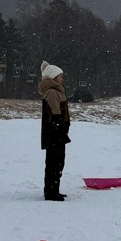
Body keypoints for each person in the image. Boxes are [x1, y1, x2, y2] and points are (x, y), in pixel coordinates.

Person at [38, 62, 70, 200]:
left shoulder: (57, 91)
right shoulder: (52, 92)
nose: (62, 79)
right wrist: (60, 130)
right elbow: (54, 114)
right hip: (54, 135)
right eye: (60, 76)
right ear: (53, 77)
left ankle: (54, 189)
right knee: (53, 163)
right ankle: (51, 192)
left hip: (58, 134)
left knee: (58, 162)